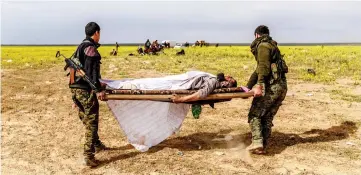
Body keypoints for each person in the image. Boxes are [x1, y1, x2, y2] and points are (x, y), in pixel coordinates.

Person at [69, 22, 108, 167]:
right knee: (91, 121)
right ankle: (89, 156)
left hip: (75, 88)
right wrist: (99, 90)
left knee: (87, 118)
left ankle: (96, 143)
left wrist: (74, 94)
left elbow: (74, 70)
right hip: (85, 90)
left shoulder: (80, 46)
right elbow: (92, 73)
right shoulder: (90, 49)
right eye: (99, 33)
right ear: (96, 33)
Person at [246, 25, 288, 154]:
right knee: (267, 116)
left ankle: (257, 142)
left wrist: (259, 86)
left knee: (255, 114)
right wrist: (248, 86)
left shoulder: (263, 46)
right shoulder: (272, 46)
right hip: (281, 86)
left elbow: (263, 68)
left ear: (256, 35)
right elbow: (259, 69)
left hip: (272, 87)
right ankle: (262, 145)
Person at [172, 73, 237, 103]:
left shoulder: (214, 82)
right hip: (189, 78)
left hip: (185, 82)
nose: (228, 75)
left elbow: (200, 94)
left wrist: (180, 99)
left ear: (226, 83)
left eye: (230, 78)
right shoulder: (215, 80)